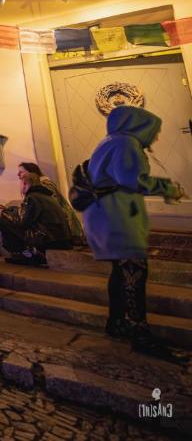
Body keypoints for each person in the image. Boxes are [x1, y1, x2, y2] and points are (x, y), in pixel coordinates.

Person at [84, 105, 187, 362]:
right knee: (134, 271)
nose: (156, 136)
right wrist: (168, 188)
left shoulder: (109, 142)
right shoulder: (125, 143)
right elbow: (133, 180)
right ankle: (140, 333)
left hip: (108, 215)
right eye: (154, 130)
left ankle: (117, 322)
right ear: (137, 125)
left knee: (121, 271)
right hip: (118, 217)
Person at [0, 171, 71, 265]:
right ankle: (28, 254)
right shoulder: (47, 196)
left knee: (0, 220)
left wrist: (4, 213)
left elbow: (24, 222)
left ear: (25, 184)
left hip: (49, 240)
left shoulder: (32, 197)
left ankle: (24, 255)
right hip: (62, 239)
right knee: (8, 219)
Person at [18, 161, 84, 245]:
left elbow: (50, 211)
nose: (18, 175)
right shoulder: (38, 188)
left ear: (32, 173)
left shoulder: (43, 186)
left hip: (61, 229)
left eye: (21, 172)